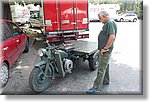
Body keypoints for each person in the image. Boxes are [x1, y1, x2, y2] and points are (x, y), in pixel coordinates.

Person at [86, 11, 117, 94]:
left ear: (105, 16)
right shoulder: (108, 23)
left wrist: (105, 48)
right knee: (105, 65)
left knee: (101, 68)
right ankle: (106, 81)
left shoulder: (110, 23)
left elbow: (112, 37)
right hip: (105, 50)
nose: (100, 20)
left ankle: (96, 87)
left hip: (105, 50)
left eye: (100, 18)